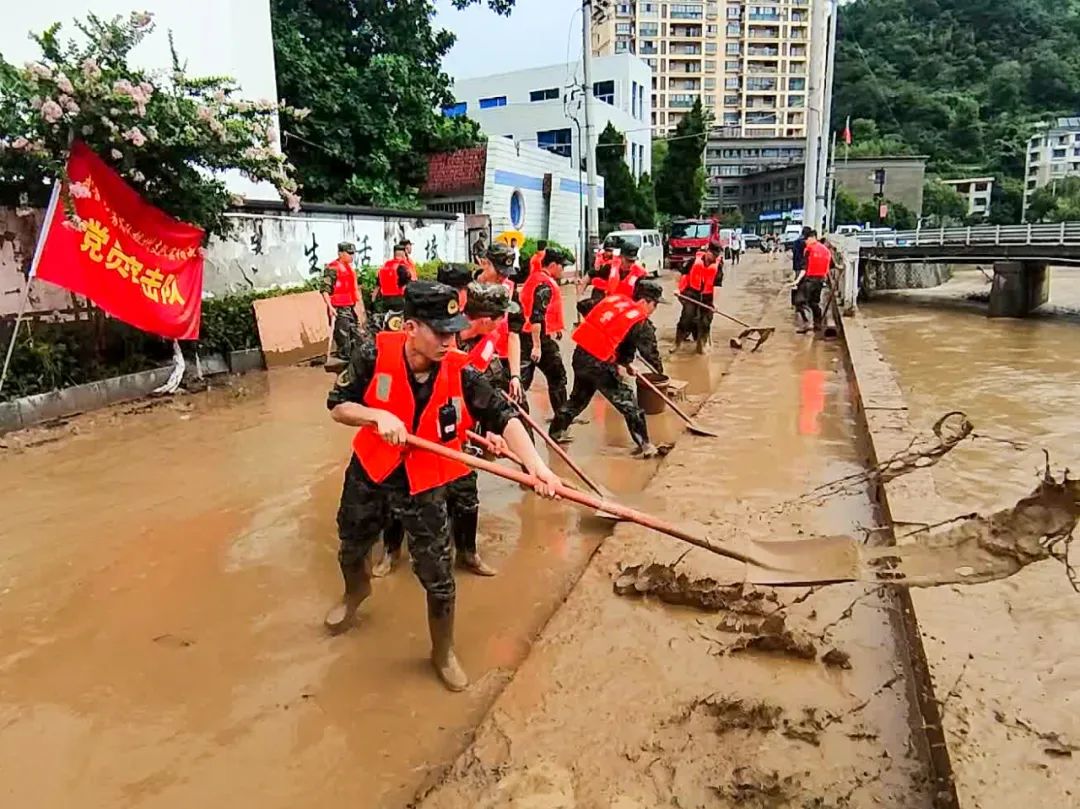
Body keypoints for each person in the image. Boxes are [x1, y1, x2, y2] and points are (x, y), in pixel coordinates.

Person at [324, 280, 560, 691]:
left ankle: (442, 650)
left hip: (426, 482)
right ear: (411, 326)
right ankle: (354, 593)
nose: (450, 341)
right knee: (350, 542)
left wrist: (536, 465)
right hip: (371, 472)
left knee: (438, 574)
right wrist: (374, 417)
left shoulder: (462, 368)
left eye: (454, 330)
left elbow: (503, 415)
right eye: (440, 331)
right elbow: (337, 406)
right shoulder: (372, 352)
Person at [548, 280, 665, 458]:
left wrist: (625, 363)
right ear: (645, 301)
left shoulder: (615, 300)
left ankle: (555, 433)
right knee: (629, 403)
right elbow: (650, 353)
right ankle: (646, 445)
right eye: (655, 305)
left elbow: (585, 306)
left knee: (578, 400)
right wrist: (661, 377)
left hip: (580, 355)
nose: (653, 310)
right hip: (599, 363)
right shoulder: (640, 320)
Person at [519, 248, 569, 415]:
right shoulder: (544, 285)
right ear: (553, 265)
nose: (564, 270)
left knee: (522, 379)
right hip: (535, 337)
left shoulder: (536, 278)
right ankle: (560, 423)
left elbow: (547, 312)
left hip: (529, 334)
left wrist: (557, 328)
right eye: (562, 266)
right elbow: (536, 316)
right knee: (557, 377)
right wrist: (537, 345)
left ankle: (561, 418)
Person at [475, 242, 526, 402]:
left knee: (519, 409)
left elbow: (513, 334)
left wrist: (515, 375)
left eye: (506, 273)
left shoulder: (510, 290)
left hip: (501, 363)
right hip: (473, 364)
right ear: (484, 263)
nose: (503, 278)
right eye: (499, 272)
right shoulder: (465, 288)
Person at [321, 241, 367, 365]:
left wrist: (359, 308)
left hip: (350, 306)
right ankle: (344, 363)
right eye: (349, 253)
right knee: (343, 337)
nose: (352, 256)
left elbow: (355, 289)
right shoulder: (332, 268)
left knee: (356, 335)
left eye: (353, 253)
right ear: (341, 253)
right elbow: (325, 290)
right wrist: (330, 308)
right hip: (338, 308)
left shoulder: (349, 269)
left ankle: (354, 360)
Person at [674, 240, 723, 352]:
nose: (715, 257)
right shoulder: (693, 261)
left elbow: (717, 285)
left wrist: (714, 302)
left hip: (708, 296)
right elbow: (684, 275)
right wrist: (678, 290)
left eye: (717, 255)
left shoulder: (717, 267)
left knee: (705, 322)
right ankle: (677, 344)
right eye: (713, 254)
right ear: (708, 251)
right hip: (692, 293)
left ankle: (701, 346)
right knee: (687, 318)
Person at [791, 229, 833, 333]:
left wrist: (796, 281)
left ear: (811, 238)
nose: (805, 242)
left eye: (806, 239)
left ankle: (807, 323)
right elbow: (831, 265)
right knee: (814, 302)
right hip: (820, 280)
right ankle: (817, 324)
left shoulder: (809, 249)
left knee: (799, 301)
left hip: (809, 280)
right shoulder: (826, 250)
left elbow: (804, 268)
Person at [373, 244, 412, 314]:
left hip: (385, 299)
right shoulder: (402, 267)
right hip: (398, 299)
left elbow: (377, 286)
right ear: (403, 254)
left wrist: (373, 301)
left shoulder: (384, 266)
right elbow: (408, 285)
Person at [790, 226, 811, 308]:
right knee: (802, 283)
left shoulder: (796, 241)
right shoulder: (804, 243)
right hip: (803, 266)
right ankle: (801, 301)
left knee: (796, 283)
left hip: (796, 265)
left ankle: (793, 302)